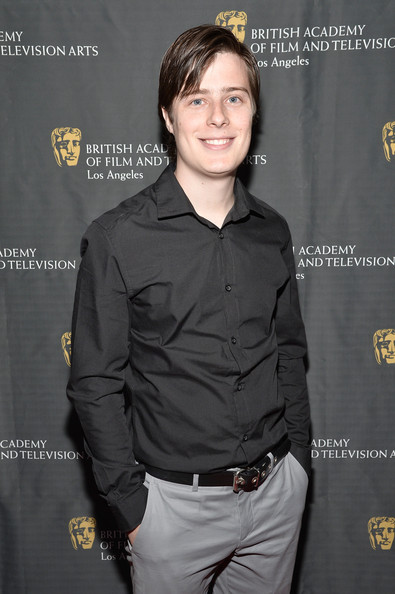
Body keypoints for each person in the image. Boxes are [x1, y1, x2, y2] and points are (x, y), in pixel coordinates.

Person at [67, 24, 310, 593]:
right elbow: (93, 383)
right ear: (169, 117)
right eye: (196, 99)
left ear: (253, 112)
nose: (218, 117)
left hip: (277, 499)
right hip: (171, 515)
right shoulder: (117, 237)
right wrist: (135, 509)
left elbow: (290, 352)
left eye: (234, 98)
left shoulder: (273, 230)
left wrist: (297, 462)